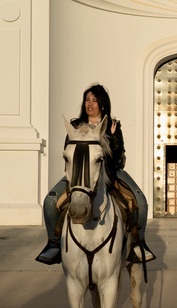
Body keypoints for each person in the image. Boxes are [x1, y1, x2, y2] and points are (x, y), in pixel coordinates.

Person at [36, 83, 154, 265]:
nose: (90, 104)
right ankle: (53, 245)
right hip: (79, 172)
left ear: (103, 105)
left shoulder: (113, 126)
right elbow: (68, 152)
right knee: (50, 201)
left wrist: (113, 136)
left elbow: (116, 157)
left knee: (141, 201)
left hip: (111, 171)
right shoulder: (75, 126)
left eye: (94, 100)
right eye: (87, 100)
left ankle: (139, 245)